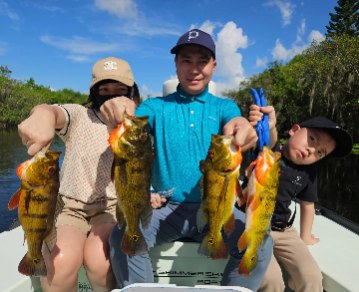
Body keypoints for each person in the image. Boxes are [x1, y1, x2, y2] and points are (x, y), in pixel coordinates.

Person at [106, 29, 276, 291]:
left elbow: (236, 122)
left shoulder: (224, 106)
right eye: (186, 60)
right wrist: (122, 107)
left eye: (202, 61)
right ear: (176, 64)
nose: (194, 69)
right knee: (123, 235)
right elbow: (133, 121)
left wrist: (245, 127)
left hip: (213, 207)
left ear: (214, 65)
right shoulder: (155, 107)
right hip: (164, 208)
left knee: (260, 243)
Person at [17, 56, 139, 292]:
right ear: (94, 92)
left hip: (109, 209)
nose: (112, 96)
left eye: (120, 90)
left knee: (100, 262)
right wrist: (42, 113)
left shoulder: (136, 128)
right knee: (59, 263)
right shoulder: (79, 115)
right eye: (104, 89)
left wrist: (128, 122)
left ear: (132, 94)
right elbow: (54, 112)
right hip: (69, 208)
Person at [254, 116, 353, 292]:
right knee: (271, 279)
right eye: (312, 139)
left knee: (312, 276)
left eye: (320, 152)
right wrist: (270, 126)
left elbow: (308, 205)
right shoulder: (269, 153)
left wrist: (305, 236)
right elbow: (270, 138)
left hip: (282, 229)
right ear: (294, 130)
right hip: (253, 228)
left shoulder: (309, 173)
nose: (311, 150)